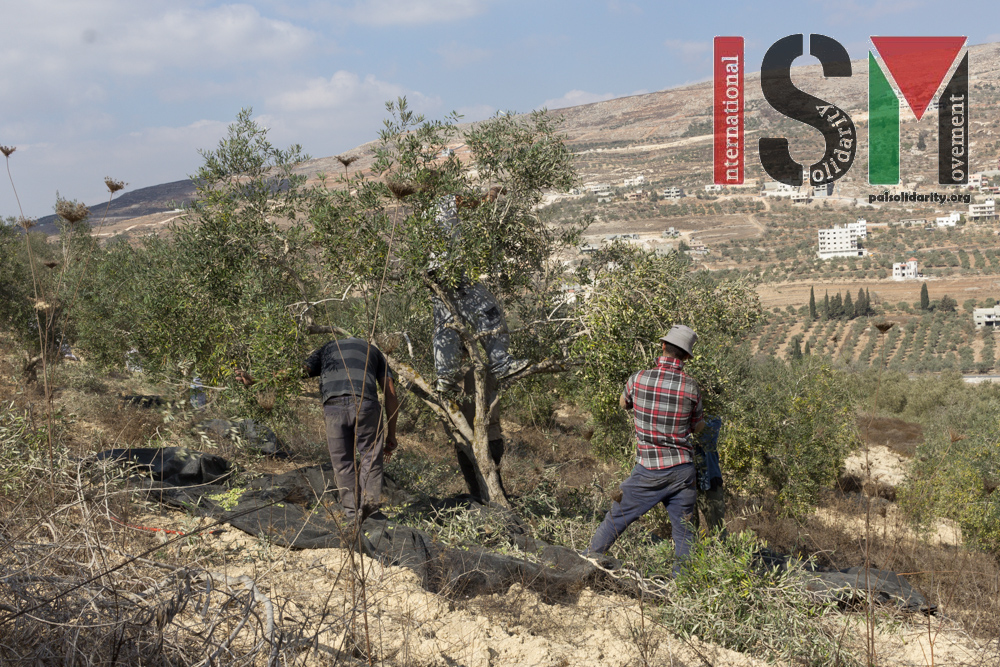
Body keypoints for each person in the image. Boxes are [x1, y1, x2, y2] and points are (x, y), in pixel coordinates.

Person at [582, 325, 705, 572]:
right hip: (682, 470)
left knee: (617, 516)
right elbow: (697, 427)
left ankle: (587, 562)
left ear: (662, 347)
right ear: (687, 357)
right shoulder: (692, 387)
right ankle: (683, 589)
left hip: (649, 469)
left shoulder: (638, 378)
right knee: (684, 534)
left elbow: (623, 403)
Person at [236, 337, 398, 523]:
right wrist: (391, 434)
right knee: (370, 459)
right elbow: (391, 393)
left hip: (333, 405)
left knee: (343, 463)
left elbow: (297, 372)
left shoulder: (327, 348)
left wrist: (258, 380)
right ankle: (371, 515)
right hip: (365, 403)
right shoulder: (374, 351)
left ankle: (353, 516)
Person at [430, 193, 529, 394]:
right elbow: (474, 201)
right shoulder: (443, 198)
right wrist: (493, 194)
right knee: (487, 310)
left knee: (445, 321)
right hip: (452, 268)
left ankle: (446, 377)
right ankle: (501, 362)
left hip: (432, 272)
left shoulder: (422, 208)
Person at [691, 415, 726, 536]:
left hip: (710, 478)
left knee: (718, 528)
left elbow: (705, 436)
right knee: (689, 528)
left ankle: (722, 553)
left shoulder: (714, 418)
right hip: (687, 480)